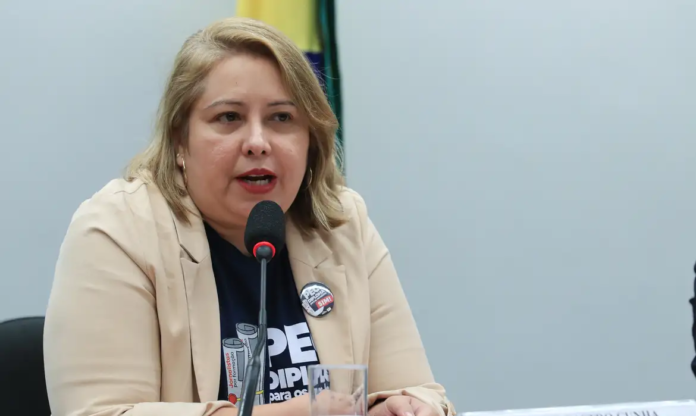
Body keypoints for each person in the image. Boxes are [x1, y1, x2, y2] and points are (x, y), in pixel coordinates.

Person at [44, 17, 455, 416]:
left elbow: (419, 390)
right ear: (180, 140)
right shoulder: (118, 230)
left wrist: (407, 406)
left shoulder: (342, 224)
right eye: (229, 117)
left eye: (281, 118)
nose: (258, 143)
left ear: (310, 140)